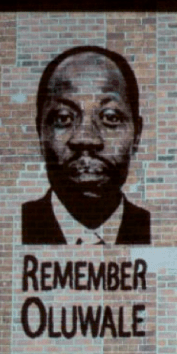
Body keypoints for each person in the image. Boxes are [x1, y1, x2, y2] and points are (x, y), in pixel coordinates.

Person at [22, 46, 151, 245]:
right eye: (63, 118)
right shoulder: (12, 229)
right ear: (41, 133)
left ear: (137, 136)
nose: (86, 138)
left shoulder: (156, 230)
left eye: (111, 117)